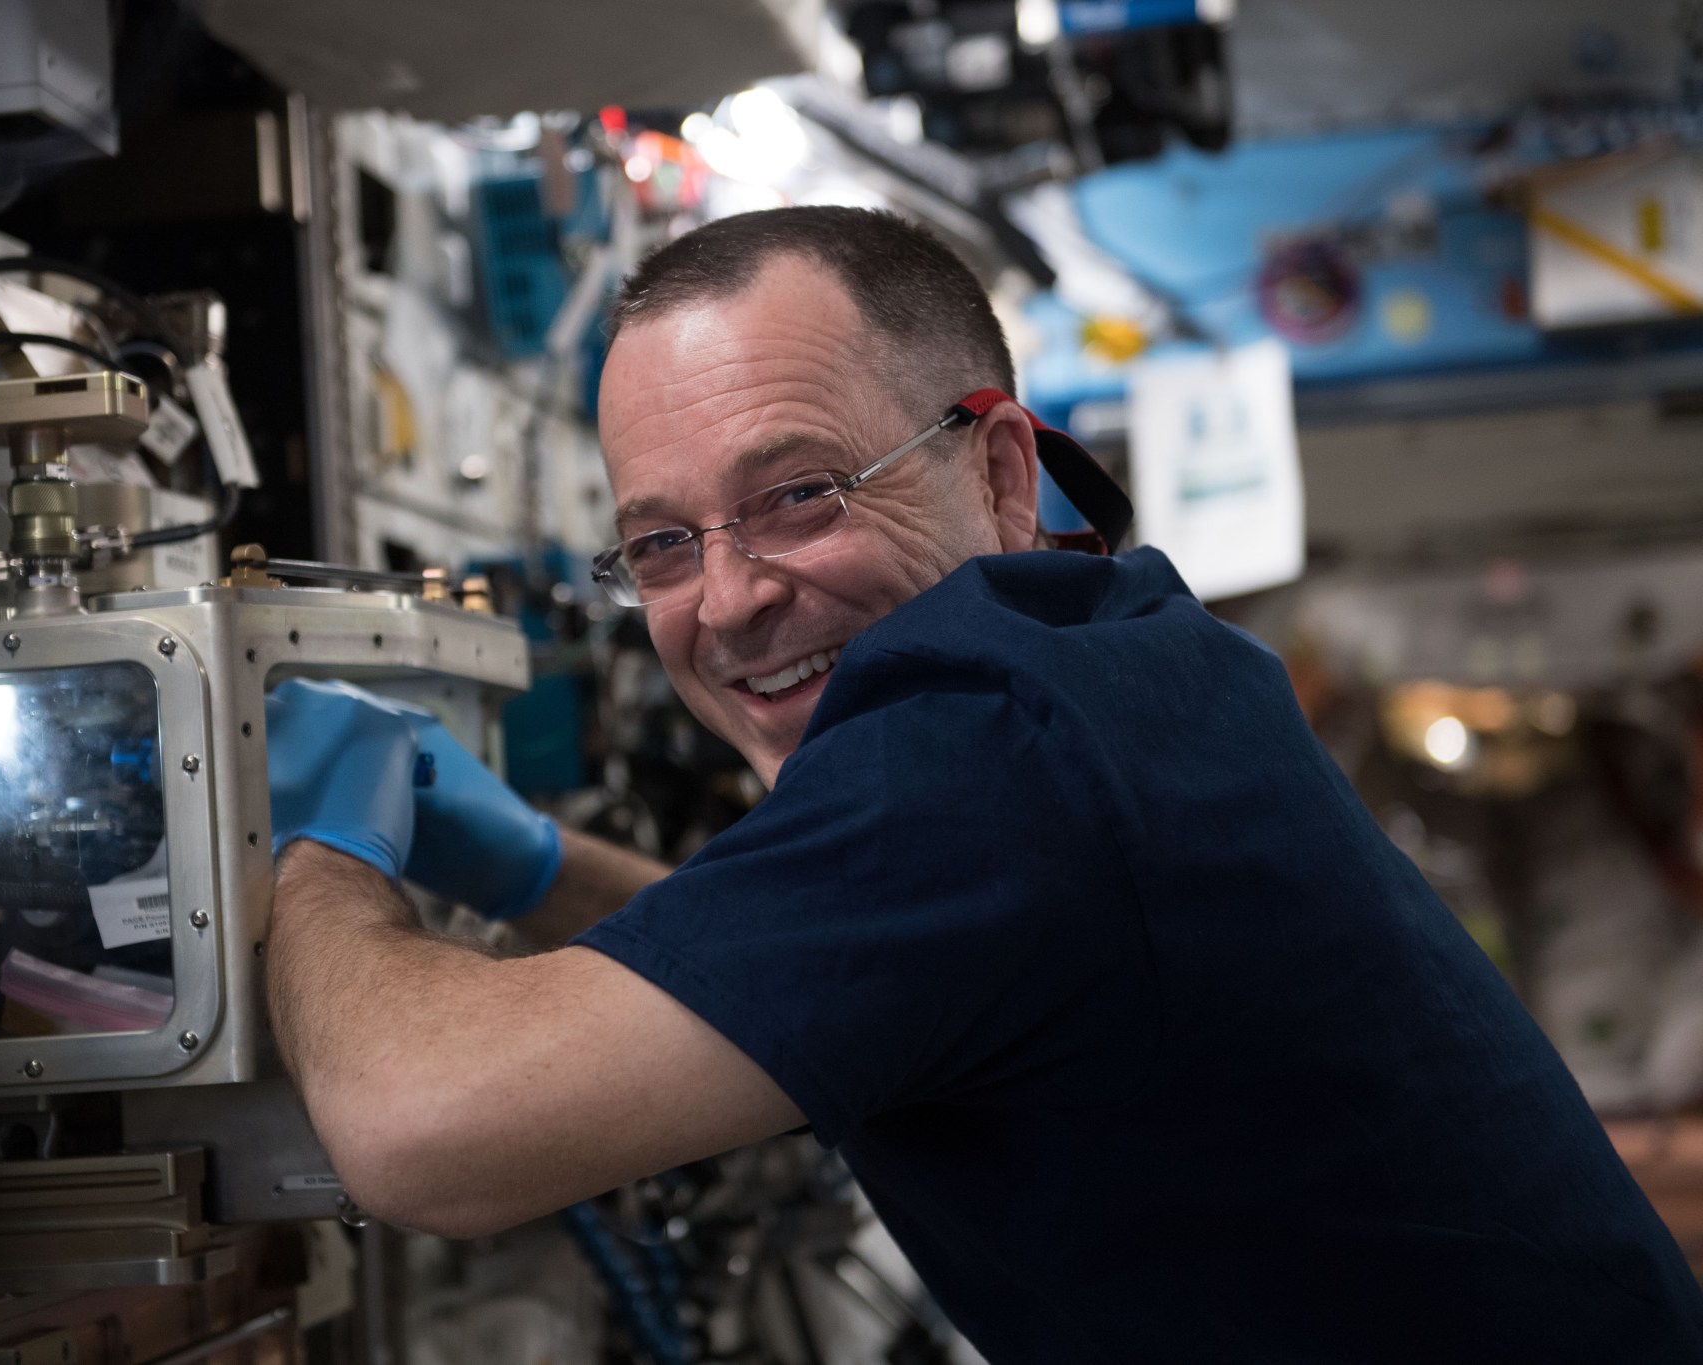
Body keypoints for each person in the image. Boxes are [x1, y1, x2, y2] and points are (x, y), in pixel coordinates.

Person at [263, 206, 1703, 1361]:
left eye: (798, 493)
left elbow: (417, 1130)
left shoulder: (996, 745)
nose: (730, 597)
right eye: (660, 545)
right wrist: (526, 863)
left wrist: (319, 849)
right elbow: (802, 978)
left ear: (1003, 469)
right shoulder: (1112, 661)